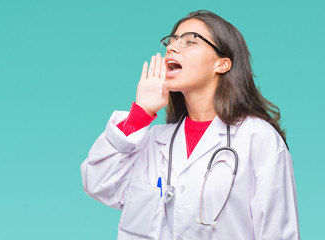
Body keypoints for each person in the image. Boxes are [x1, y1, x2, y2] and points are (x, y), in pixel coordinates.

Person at [81, 9, 300, 240]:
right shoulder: (154, 141)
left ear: (222, 64)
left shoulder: (257, 139)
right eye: (172, 40)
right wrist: (141, 113)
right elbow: (96, 182)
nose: (172, 47)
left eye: (189, 41)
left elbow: (278, 234)